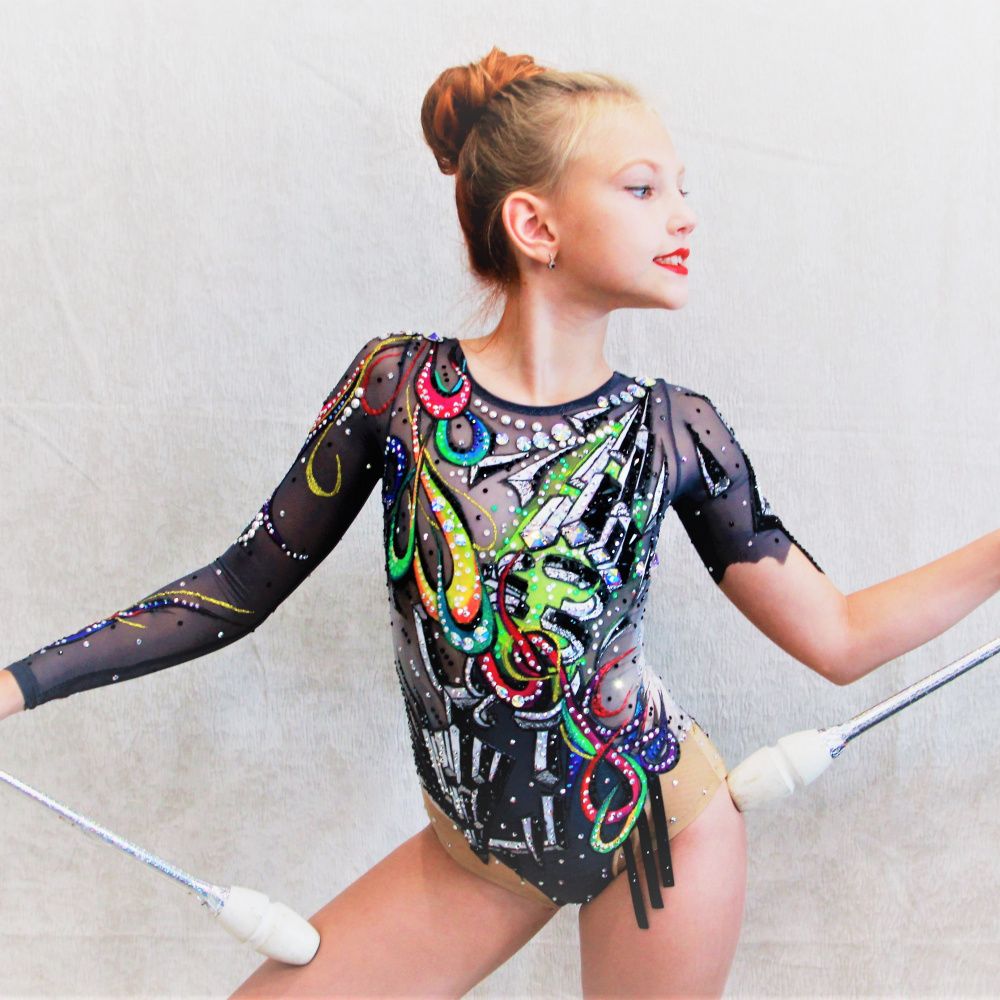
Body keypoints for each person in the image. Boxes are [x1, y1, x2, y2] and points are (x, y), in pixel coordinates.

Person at [2, 45, 998, 999]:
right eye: (642, 188)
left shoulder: (673, 429)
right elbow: (235, 586)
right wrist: (16, 684)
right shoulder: (396, 388)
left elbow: (838, 635)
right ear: (533, 223)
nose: (684, 214)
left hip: (659, 830)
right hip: (475, 855)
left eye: (682, 188)